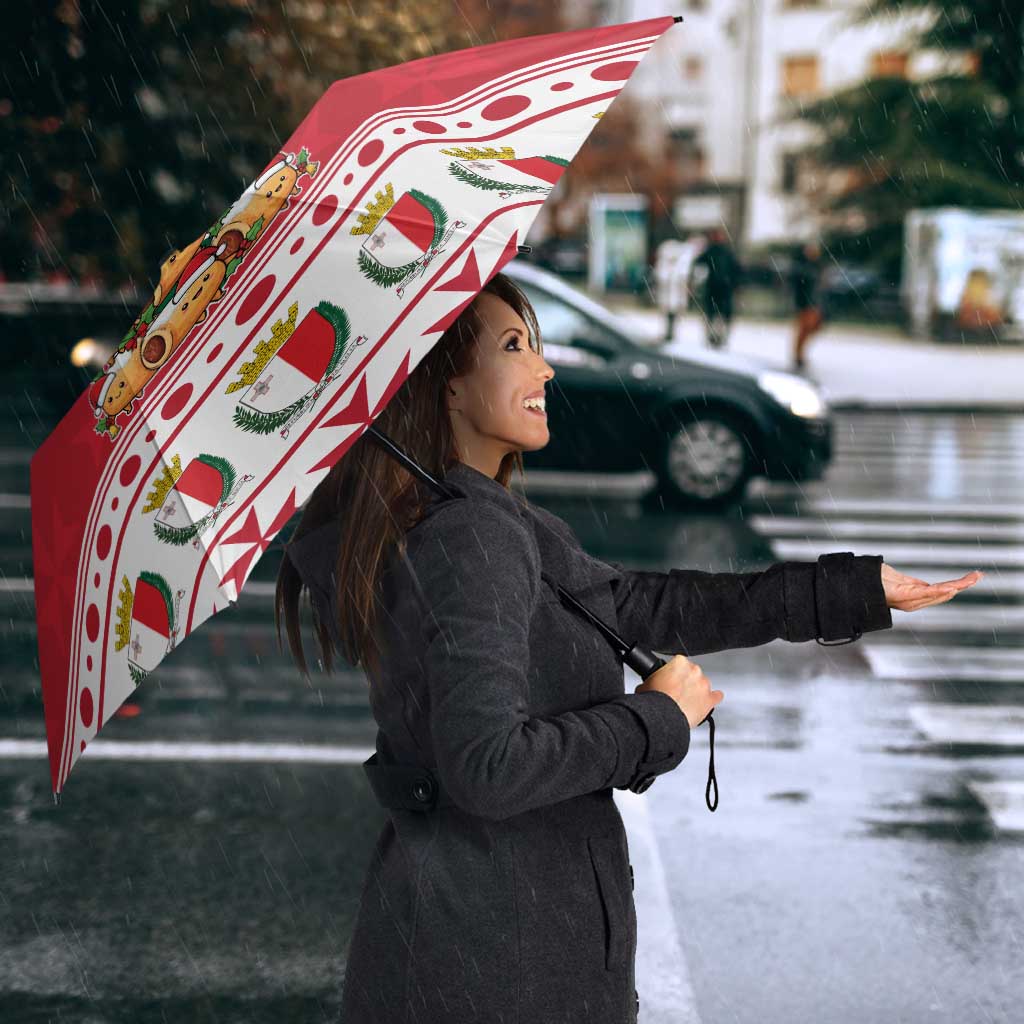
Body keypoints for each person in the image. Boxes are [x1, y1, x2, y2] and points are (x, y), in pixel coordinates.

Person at [275, 271, 980, 1024]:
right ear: (447, 385)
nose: (544, 369)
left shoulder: (470, 518)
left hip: (474, 940)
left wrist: (848, 591)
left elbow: (638, 606)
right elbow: (488, 767)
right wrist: (655, 719)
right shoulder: (471, 536)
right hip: (501, 962)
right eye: (514, 347)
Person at [692, 226, 742, 349]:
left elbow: (736, 270)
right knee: (714, 314)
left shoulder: (724, 252)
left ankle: (719, 337)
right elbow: (698, 263)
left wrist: (735, 284)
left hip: (722, 289)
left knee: (719, 315)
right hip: (716, 288)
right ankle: (713, 337)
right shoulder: (714, 251)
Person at [790, 240, 826, 370]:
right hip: (805, 303)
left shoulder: (816, 266)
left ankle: (799, 354)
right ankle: (798, 355)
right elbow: (799, 286)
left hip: (814, 303)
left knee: (813, 327)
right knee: (804, 329)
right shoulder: (802, 267)